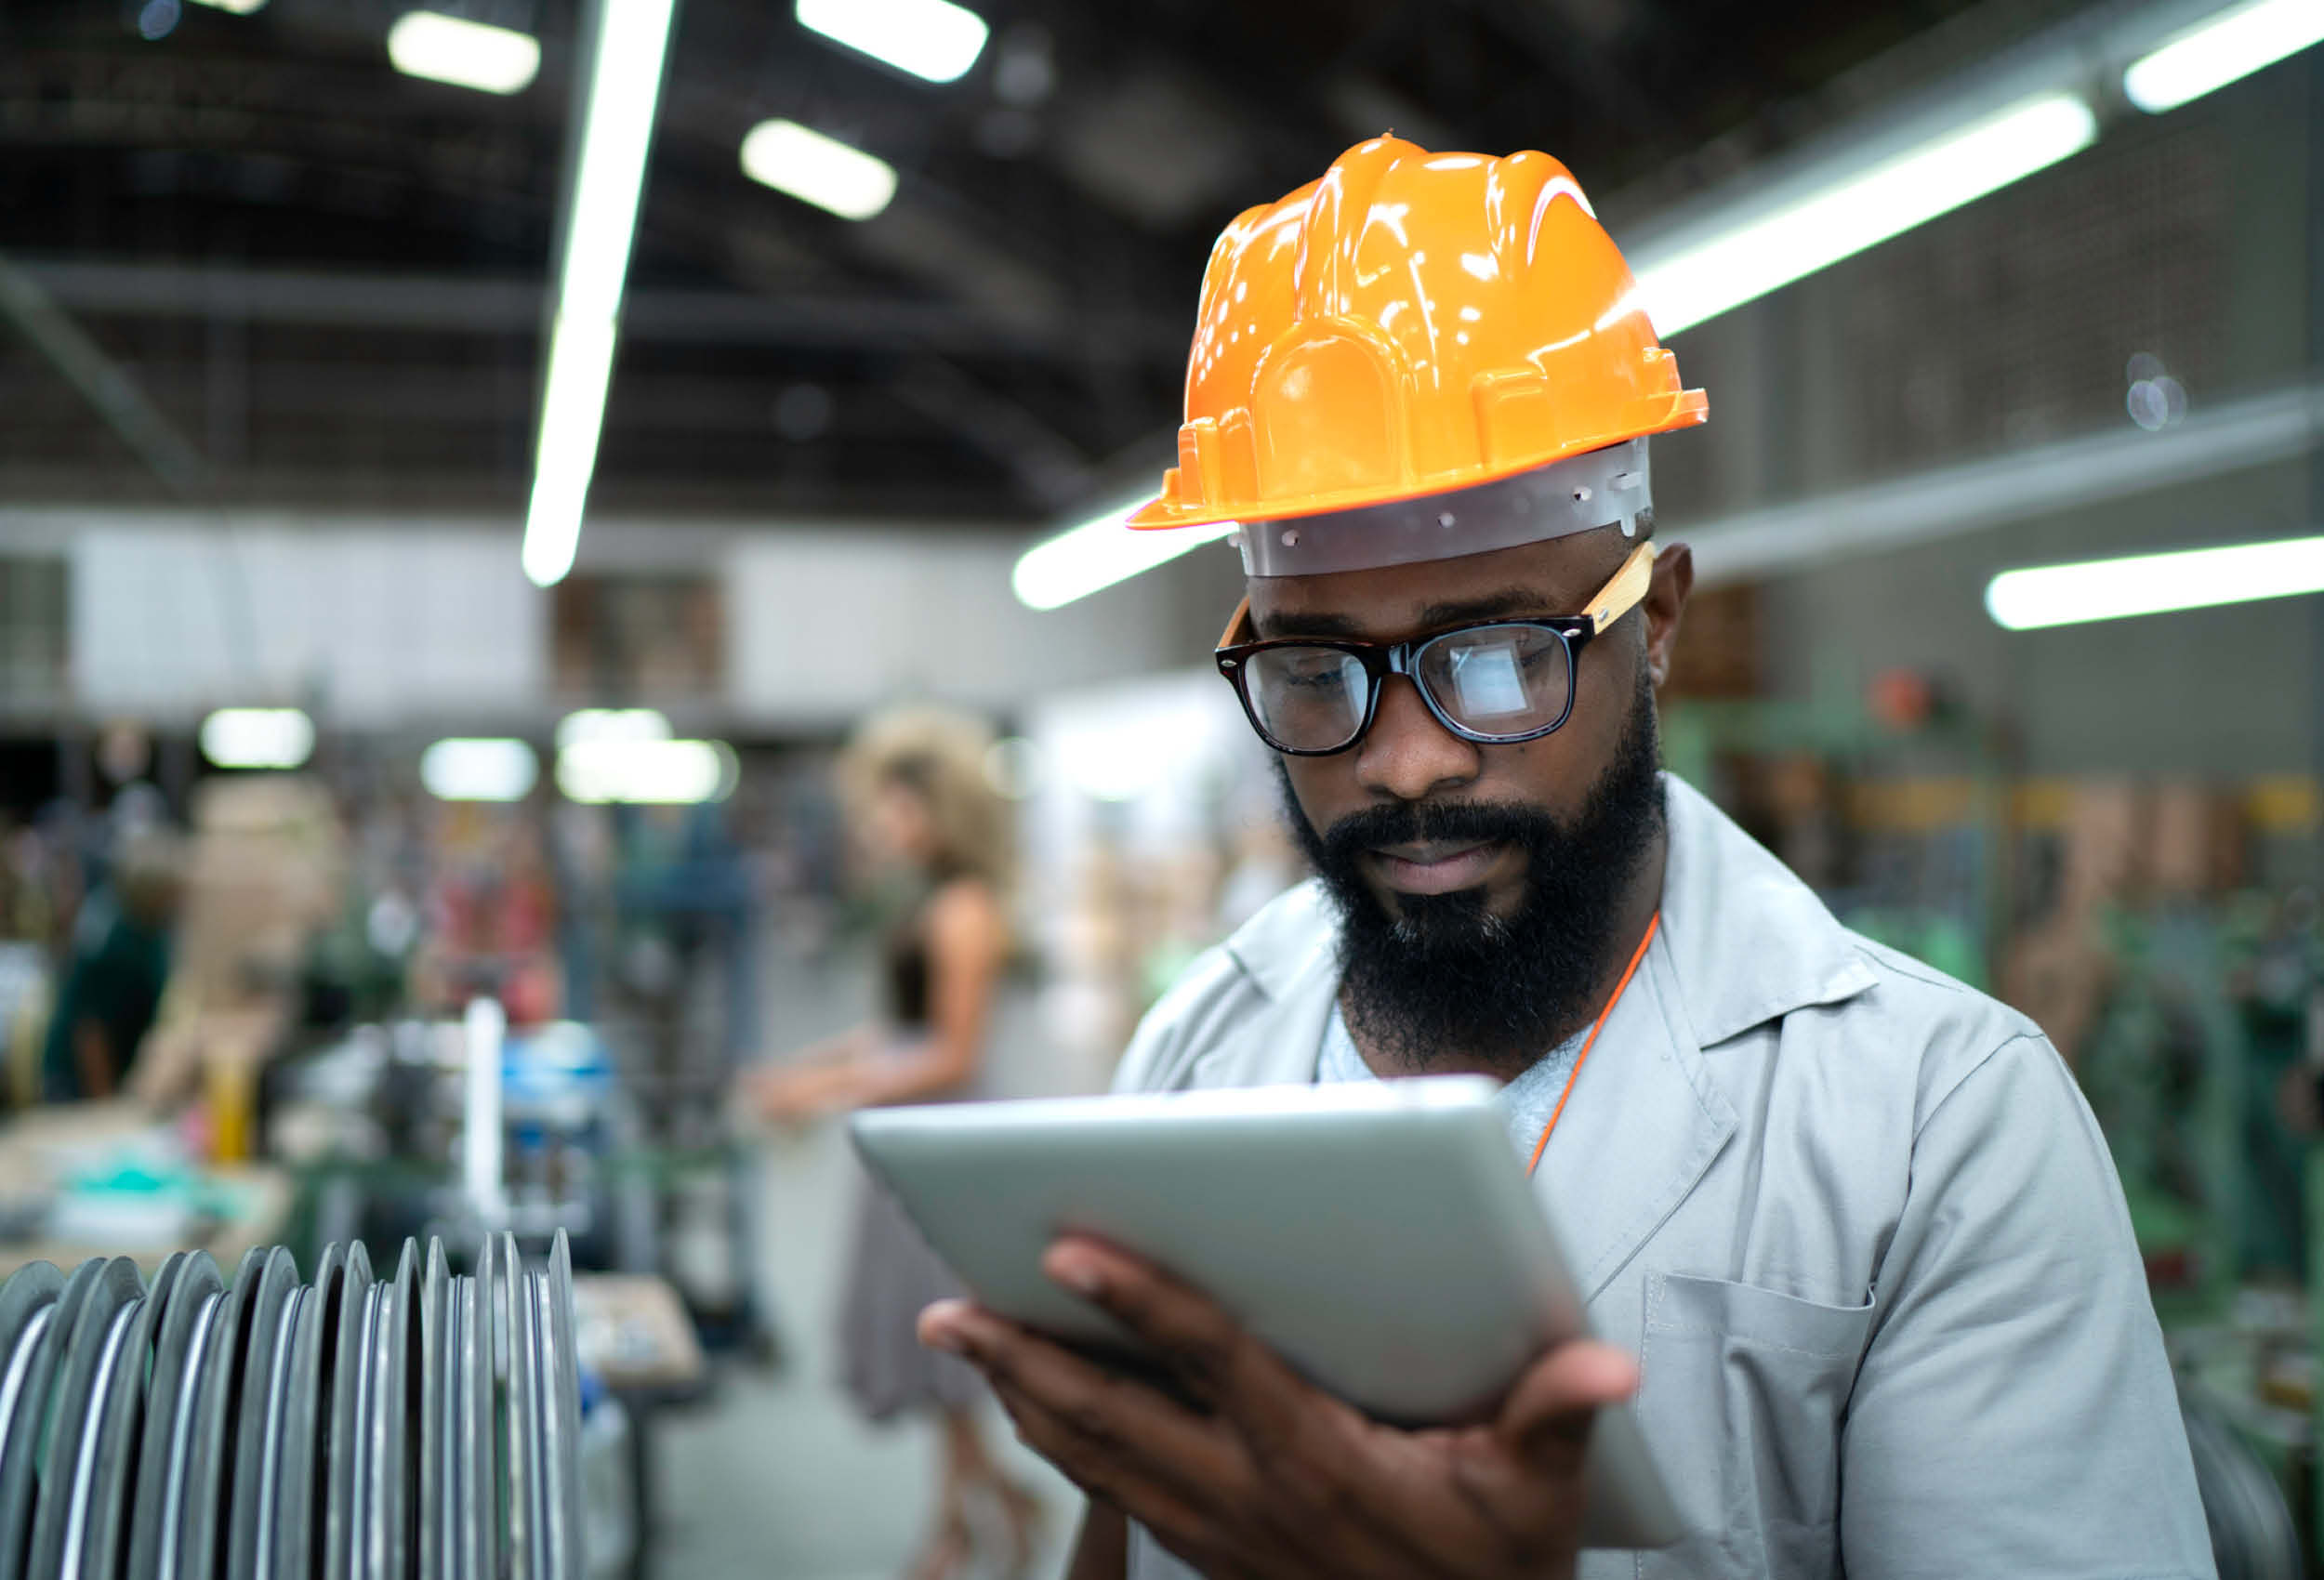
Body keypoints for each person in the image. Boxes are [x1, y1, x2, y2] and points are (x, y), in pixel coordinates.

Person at [917, 137, 2214, 1580]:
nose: (1406, 762)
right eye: (1313, 669)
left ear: (1652, 621)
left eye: (1491, 659)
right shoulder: (1205, 1048)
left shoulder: (1938, 1132)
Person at [750, 709, 1043, 1580]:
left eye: (897, 808)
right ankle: (987, 1509)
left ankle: (956, 1529)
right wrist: (809, 1068)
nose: (883, 826)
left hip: (950, 1142)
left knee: (949, 1347)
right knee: (933, 1347)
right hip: (917, 1135)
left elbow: (953, 1050)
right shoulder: (929, 903)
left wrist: (827, 1092)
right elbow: (900, 1027)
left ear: (938, 809)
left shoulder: (964, 910)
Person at [41, 827, 180, 1100]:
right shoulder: (108, 940)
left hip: (120, 1063)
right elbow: (90, 1031)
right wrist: (104, 1102)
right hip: (76, 1081)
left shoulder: (153, 930)